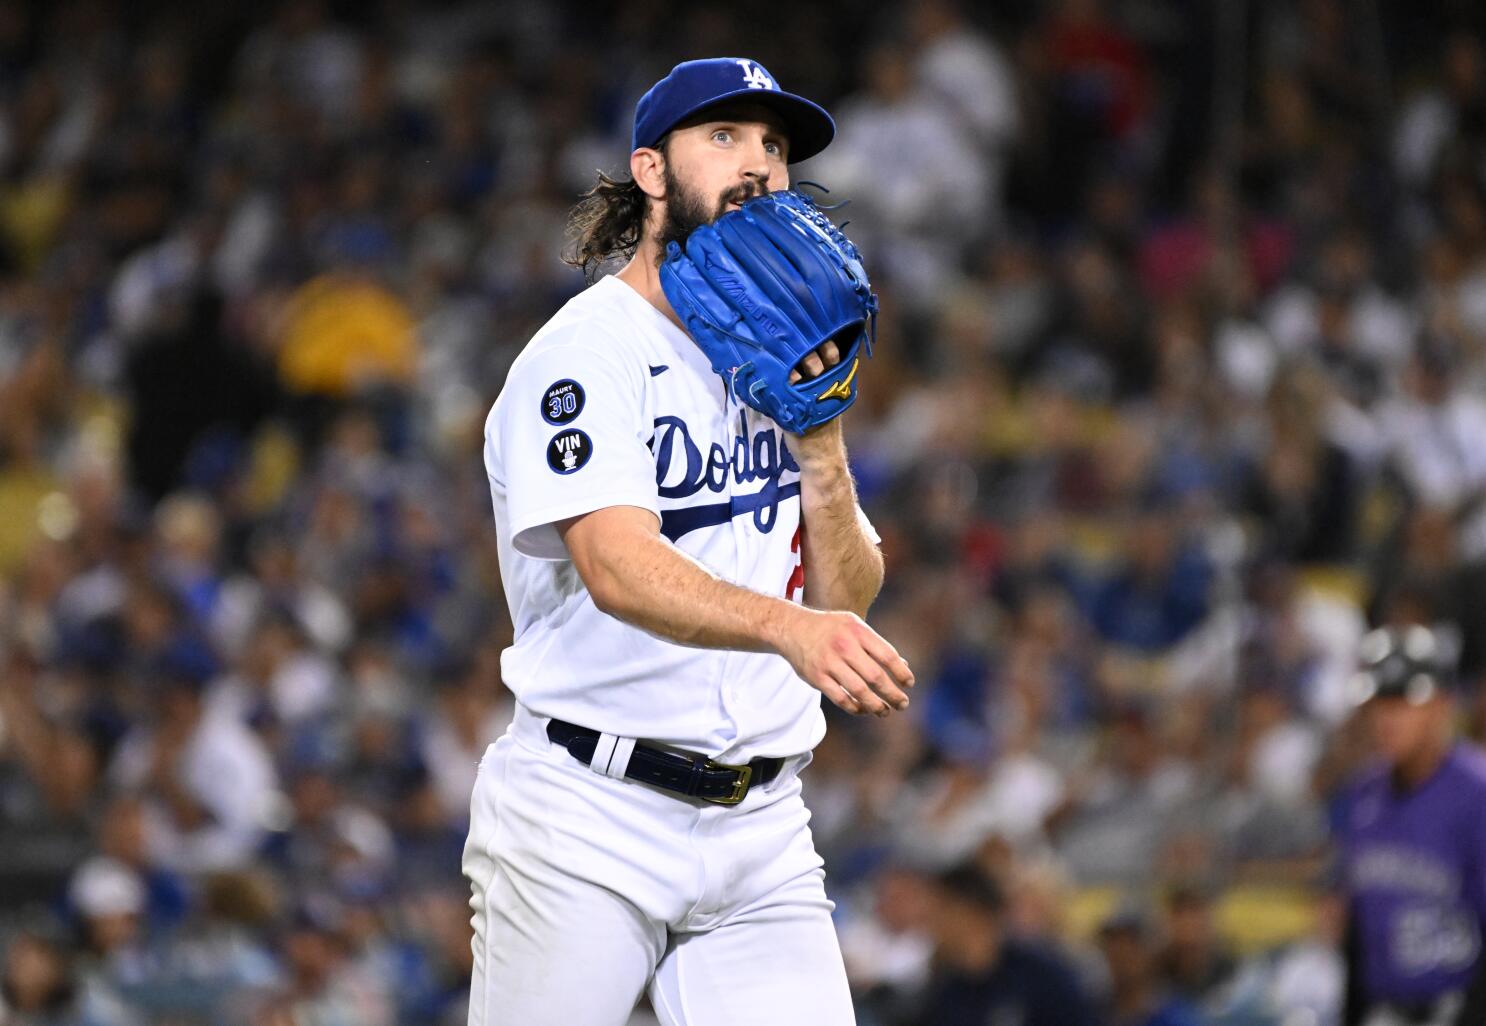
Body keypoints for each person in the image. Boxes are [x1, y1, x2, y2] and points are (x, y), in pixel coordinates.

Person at [463, 57, 916, 1026]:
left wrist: (824, 447)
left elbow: (844, 604)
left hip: (759, 830)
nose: (757, 162)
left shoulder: (774, 355)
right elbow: (615, 565)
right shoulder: (587, 352)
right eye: (724, 136)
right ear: (652, 172)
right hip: (585, 818)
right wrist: (788, 632)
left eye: (774, 144)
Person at [1339, 625, 1486, 1026]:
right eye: (1379, 703)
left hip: (1461, 1009)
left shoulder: (1477, 793)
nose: (1387, 719)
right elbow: (1358, 930)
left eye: (1403, 702)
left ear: (1441, 705)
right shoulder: (1363, 791)